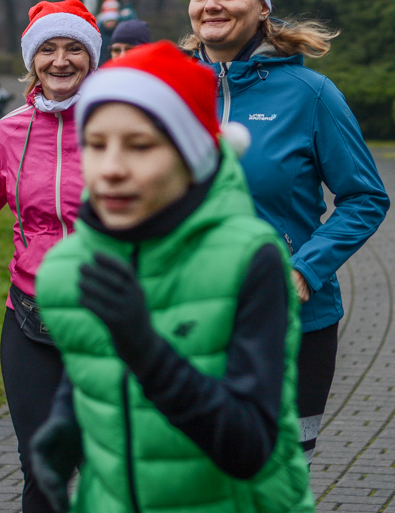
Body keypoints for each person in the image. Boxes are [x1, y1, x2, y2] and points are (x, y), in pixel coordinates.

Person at [29, 41, 315, 512]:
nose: (113, 168)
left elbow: (250, 450)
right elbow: (91, 366)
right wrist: (65, 424)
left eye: (140, 146)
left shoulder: (249, 258)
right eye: (96, 145)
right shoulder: (67, 266)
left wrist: (146, 348)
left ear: (190, 157)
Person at [183, 0, 389, 460]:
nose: (212, 5)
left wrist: (304, 269)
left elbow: (366, 198)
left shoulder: (310, 94)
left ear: (261, 7)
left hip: (293, 325)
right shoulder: (168, 92)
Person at [0, 0, 101, 512]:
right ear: (32, 60)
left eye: (74, 48)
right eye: (48, 49)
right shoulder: (10, 130)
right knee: (40, 464)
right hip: (30, 315)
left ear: (92, 59)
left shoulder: (123, 126)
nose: (60, 61)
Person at [96, 0, 120, 64]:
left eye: (112, 21)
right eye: (108, 21)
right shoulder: (98, 34)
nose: (111, 24)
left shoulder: (119, 33)